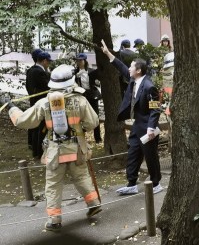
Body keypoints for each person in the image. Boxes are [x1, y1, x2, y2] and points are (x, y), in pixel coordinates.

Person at [5, 64, 101, 231]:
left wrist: (10, 107)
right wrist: (80, 127)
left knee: (53, 186)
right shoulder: (80, 100)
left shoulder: (45, 103)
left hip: (55, 152)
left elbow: (23, 121)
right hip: (76, 149)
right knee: (81, 177)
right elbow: (93, 122)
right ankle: (93, 204)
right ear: (71, 81)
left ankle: (54, 220)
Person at [100, 39, 163, 195]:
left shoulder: (149, 86)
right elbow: (122, 68)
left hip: (147, 127)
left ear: (139, 70)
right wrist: (109, 54)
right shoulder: (134, 81)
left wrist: (150, 127)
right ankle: (132, 183)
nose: (129, 68)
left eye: (131, 67)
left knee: (150, 156)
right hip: (137, 125)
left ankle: (156, 183)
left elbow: (155, 109)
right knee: (133, 153)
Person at [25, 50, 52, 160]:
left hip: (33, 101)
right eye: (48, 62)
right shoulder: (39, 72)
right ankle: (38, 152)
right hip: (41, 103)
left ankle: (33, 147)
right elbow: (48, 86)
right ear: (44, 61)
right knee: (41, 127)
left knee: (34, 125)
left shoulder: (30, 70)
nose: (49, 64)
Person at [73, 53, 103, 143]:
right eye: (77, 61)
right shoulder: (74, 72)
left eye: (80, 60)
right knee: (80, 117)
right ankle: (81, 138)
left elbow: (99, 80)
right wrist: (76, 76)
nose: (79, 62)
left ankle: (97, 138)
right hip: (80, 95)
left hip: (92, 95)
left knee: (95, 115)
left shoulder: (91, 71)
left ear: (85, 61)